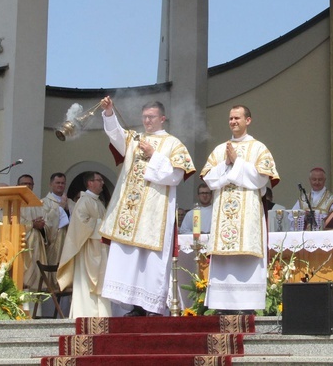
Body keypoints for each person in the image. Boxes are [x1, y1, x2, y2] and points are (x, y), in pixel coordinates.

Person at [98, 97, 196, 317]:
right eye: (144, 117)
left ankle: (153, 307)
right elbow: (115, 135)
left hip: (155, 213)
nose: (147, 121)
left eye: (151, 117)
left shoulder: (173, 144)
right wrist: (109, 113)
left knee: (151, 262)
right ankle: (134, 306)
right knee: (129, 257)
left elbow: (176, 176)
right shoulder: (135, 139)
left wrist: (154, 155)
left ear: (162, 118)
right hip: (129, 213)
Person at [201, 105, 279, 313]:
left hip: (248, 213)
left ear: (248, 120)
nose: (233, 121)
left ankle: (247, 306)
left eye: (237, 118)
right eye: (230, 119)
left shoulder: (258, 148)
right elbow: (208, 179)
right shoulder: (219, 150)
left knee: (246, 258)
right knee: (224, 260)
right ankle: (222, 305)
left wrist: (237, 162)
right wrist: (225, 163)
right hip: (223, 213)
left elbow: (262, 178)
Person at [57, 172, 111, 318]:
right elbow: (81, 224)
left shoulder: (98, 202)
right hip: (88, 250)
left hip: (98, 249)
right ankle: (87, 316)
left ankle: (101, 316)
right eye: (99, 180)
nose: (102, 183)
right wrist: (103, 225)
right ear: (90, 183)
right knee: (87, 284)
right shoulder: (84, 201)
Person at [19, 174, 61, 290]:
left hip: (37, 246)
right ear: (18, 186)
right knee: (23, 281)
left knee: (36, 283)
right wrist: (32, 224)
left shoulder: (37, 203)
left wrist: (42, 226)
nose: (27, 186)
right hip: (23, 247)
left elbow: (47, 224)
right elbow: (13, 225)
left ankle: (35, 308)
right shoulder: (15, 203)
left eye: (30, 184)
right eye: (24, 183)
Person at [43, 173, 70, 266]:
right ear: (51, 184)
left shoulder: (70, 202)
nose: (60, 185)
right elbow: (47, 222)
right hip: (54, 242)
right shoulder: (44, 202)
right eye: (57, 182)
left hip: (68, 239)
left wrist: (68, 209)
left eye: (63, 183)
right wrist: (61, 208)